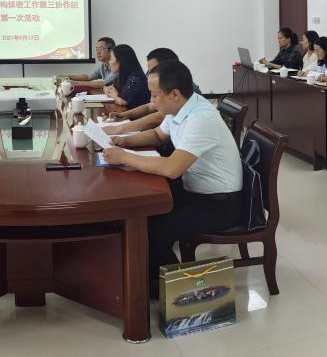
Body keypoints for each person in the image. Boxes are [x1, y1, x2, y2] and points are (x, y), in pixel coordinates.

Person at [101, 60, 242, 290]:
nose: (151, 100)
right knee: (143, 212)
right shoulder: (181, 107)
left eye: (155, 95)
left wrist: (124, 157)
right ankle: (144, 277)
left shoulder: (200, 118)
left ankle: (172, 291)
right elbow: (158, 135)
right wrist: (124, 142)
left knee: (152, 229)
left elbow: (171, 168)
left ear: (174, 94)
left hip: (219, 204)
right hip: (194, 188)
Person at [107, 48, 203, 134]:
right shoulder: (165, 85)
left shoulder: (187, 88)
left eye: (154, 70)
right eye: (149, 71)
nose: (150, 74)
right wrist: (124, 115)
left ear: (168, 67)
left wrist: (119, 128)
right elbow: (149, 107)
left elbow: (159, 117)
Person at [103, 44, 149, 109]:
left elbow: (123, 101)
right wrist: (108, 90)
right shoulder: (123, 75)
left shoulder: (136, 77)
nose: (109, 62)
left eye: (111, 58)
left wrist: (114, 94)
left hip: (138, 114)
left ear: (121, 61)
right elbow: (107, 86)